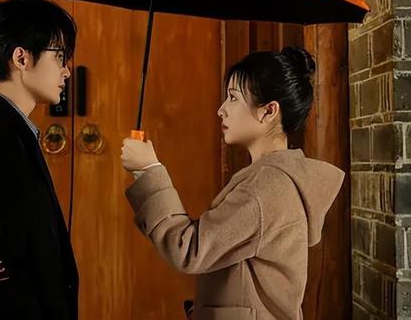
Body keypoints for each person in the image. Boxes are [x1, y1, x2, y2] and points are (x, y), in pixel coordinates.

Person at [120, 47, 344, 320]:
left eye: (233, 97)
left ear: (268, 111)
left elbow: (189, 249)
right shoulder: (272, 179)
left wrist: (148, 170)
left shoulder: (266, 187)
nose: (221, 110)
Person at [0, 0, 79, 319]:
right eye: (59, 56)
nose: (66, 71)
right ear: (21, 58)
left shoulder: (9, 131)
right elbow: (4, 269)